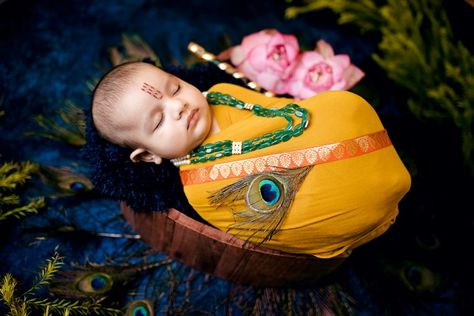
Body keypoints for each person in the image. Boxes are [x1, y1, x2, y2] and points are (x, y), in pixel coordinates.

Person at [90, 61, 411, 259]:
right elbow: (259, 224)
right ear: (148, 155)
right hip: (312, 186)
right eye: (159, 122)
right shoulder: (202, 185)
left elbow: (281, 109)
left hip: (302, 131)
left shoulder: (221, 93)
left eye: (174, 88)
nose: (178, 107)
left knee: (344, 107)